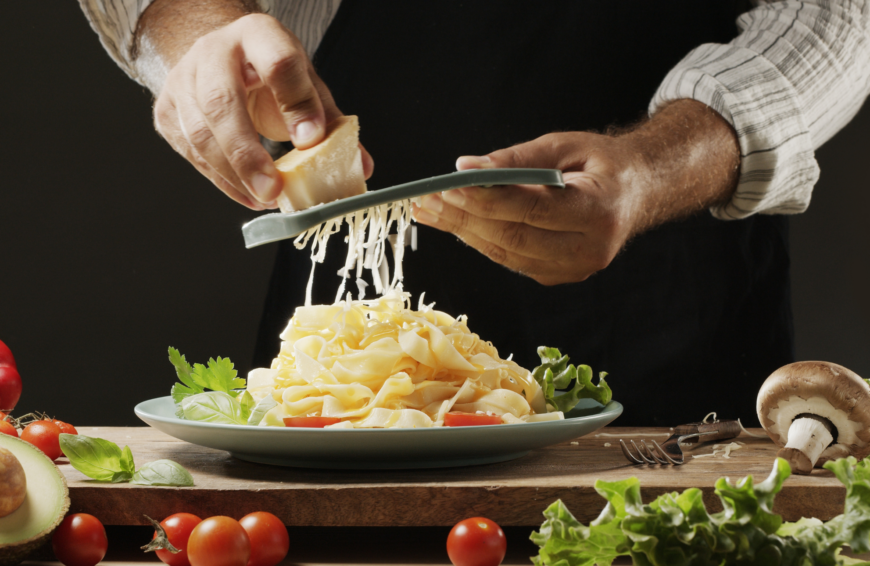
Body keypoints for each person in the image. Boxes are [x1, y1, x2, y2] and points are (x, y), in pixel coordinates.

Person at [79, 0, 870, 425]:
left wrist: (652, 169)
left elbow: (841, 13)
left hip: (673, 292)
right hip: (340, 354)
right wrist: (200, 36)